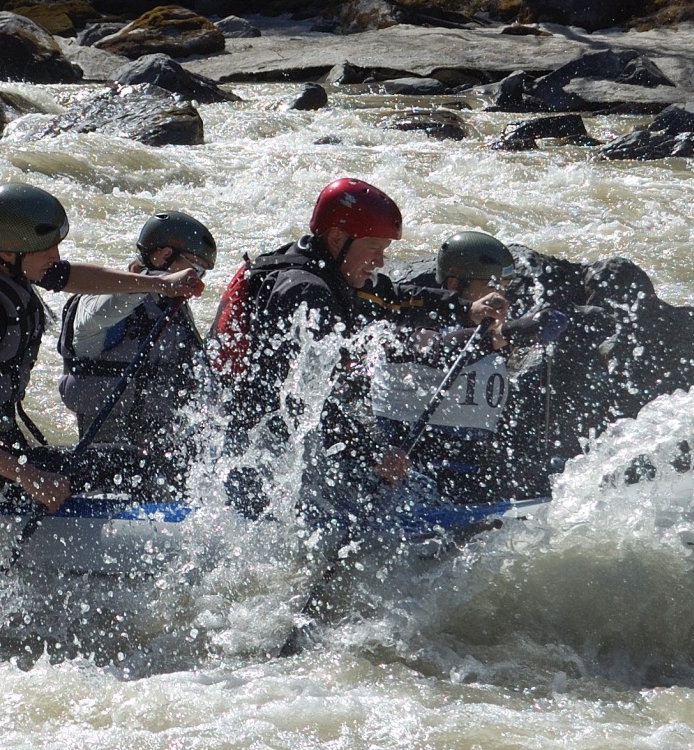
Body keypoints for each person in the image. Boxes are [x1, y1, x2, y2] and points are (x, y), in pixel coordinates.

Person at [0, 182, 204, 512]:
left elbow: (72, 277)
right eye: (47, 250)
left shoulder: (2, 261)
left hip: (5, 450)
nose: (56, 257)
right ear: (9, 253)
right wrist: (29, 477)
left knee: (130, 461)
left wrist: (158, 283)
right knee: (138, 466)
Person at [209, 177, 507, 521]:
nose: (380, 261)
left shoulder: (323, 267)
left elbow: (393, 299)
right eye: (374, 248)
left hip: (268, 437)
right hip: (254, 449)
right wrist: (373, 454)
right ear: (338, 238)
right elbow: (309, 403)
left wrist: (466, 309)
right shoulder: (307, 295)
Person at [378, 230, 562, 502]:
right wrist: (502, 335)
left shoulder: (492, 334)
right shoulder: (416, 322)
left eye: (505, 286)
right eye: (492, 285)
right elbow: (437, 351)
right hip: (412, 471)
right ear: (454, 284)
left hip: (472, 469)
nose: (501, 296)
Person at [55, 210, 216, 495]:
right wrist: (158, 281)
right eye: (195, 269)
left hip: (161, 451)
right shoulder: (99, 301)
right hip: (105, 462)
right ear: (164, 255)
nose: (196, 279)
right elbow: (111, 305)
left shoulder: (172, 310)